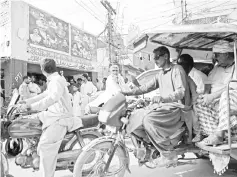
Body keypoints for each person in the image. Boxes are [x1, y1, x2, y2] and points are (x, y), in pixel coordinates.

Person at [122, 46, 192, 167]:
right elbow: (146, 87)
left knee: (148, 119)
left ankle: (167, 154)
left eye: (157, 58)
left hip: (177, 108)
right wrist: (127, 92)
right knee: (134, 116)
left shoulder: (177, 70)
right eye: (154, 58)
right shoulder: (160, 74)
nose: (155, 60)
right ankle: (149, 145)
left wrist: (164, 98)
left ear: (165, 56)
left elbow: (181, 92)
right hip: (165, 107)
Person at [17, 58, 82, 177]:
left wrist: (31, 106)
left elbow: (52, 98)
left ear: (42, 69)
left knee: (45, 146)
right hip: (52, 114)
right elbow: (45, 94)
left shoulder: (56, 80)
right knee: (30, 121)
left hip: (60, 118)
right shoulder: (54, 79)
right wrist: (27, 102)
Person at [195, 41, 237, 145]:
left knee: (225, 95)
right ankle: (215, 133)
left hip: (231, 99)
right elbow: (208, 83)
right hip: (215, 102)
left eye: (217, 55)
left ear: (226, 54)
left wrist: (212, 96)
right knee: (197, 102)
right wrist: (206, 95)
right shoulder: (216, 68)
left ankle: (219, 135)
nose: (215, 57)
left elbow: (232, 88)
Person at [177, 54, 207, 142]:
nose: (179, 67)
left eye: (180, 64)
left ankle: (198, 133)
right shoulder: (185, 75)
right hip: (191, 100)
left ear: (188, 65)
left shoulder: (197, 76)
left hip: (202, 99)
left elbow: (201, 93)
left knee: (192, 113)